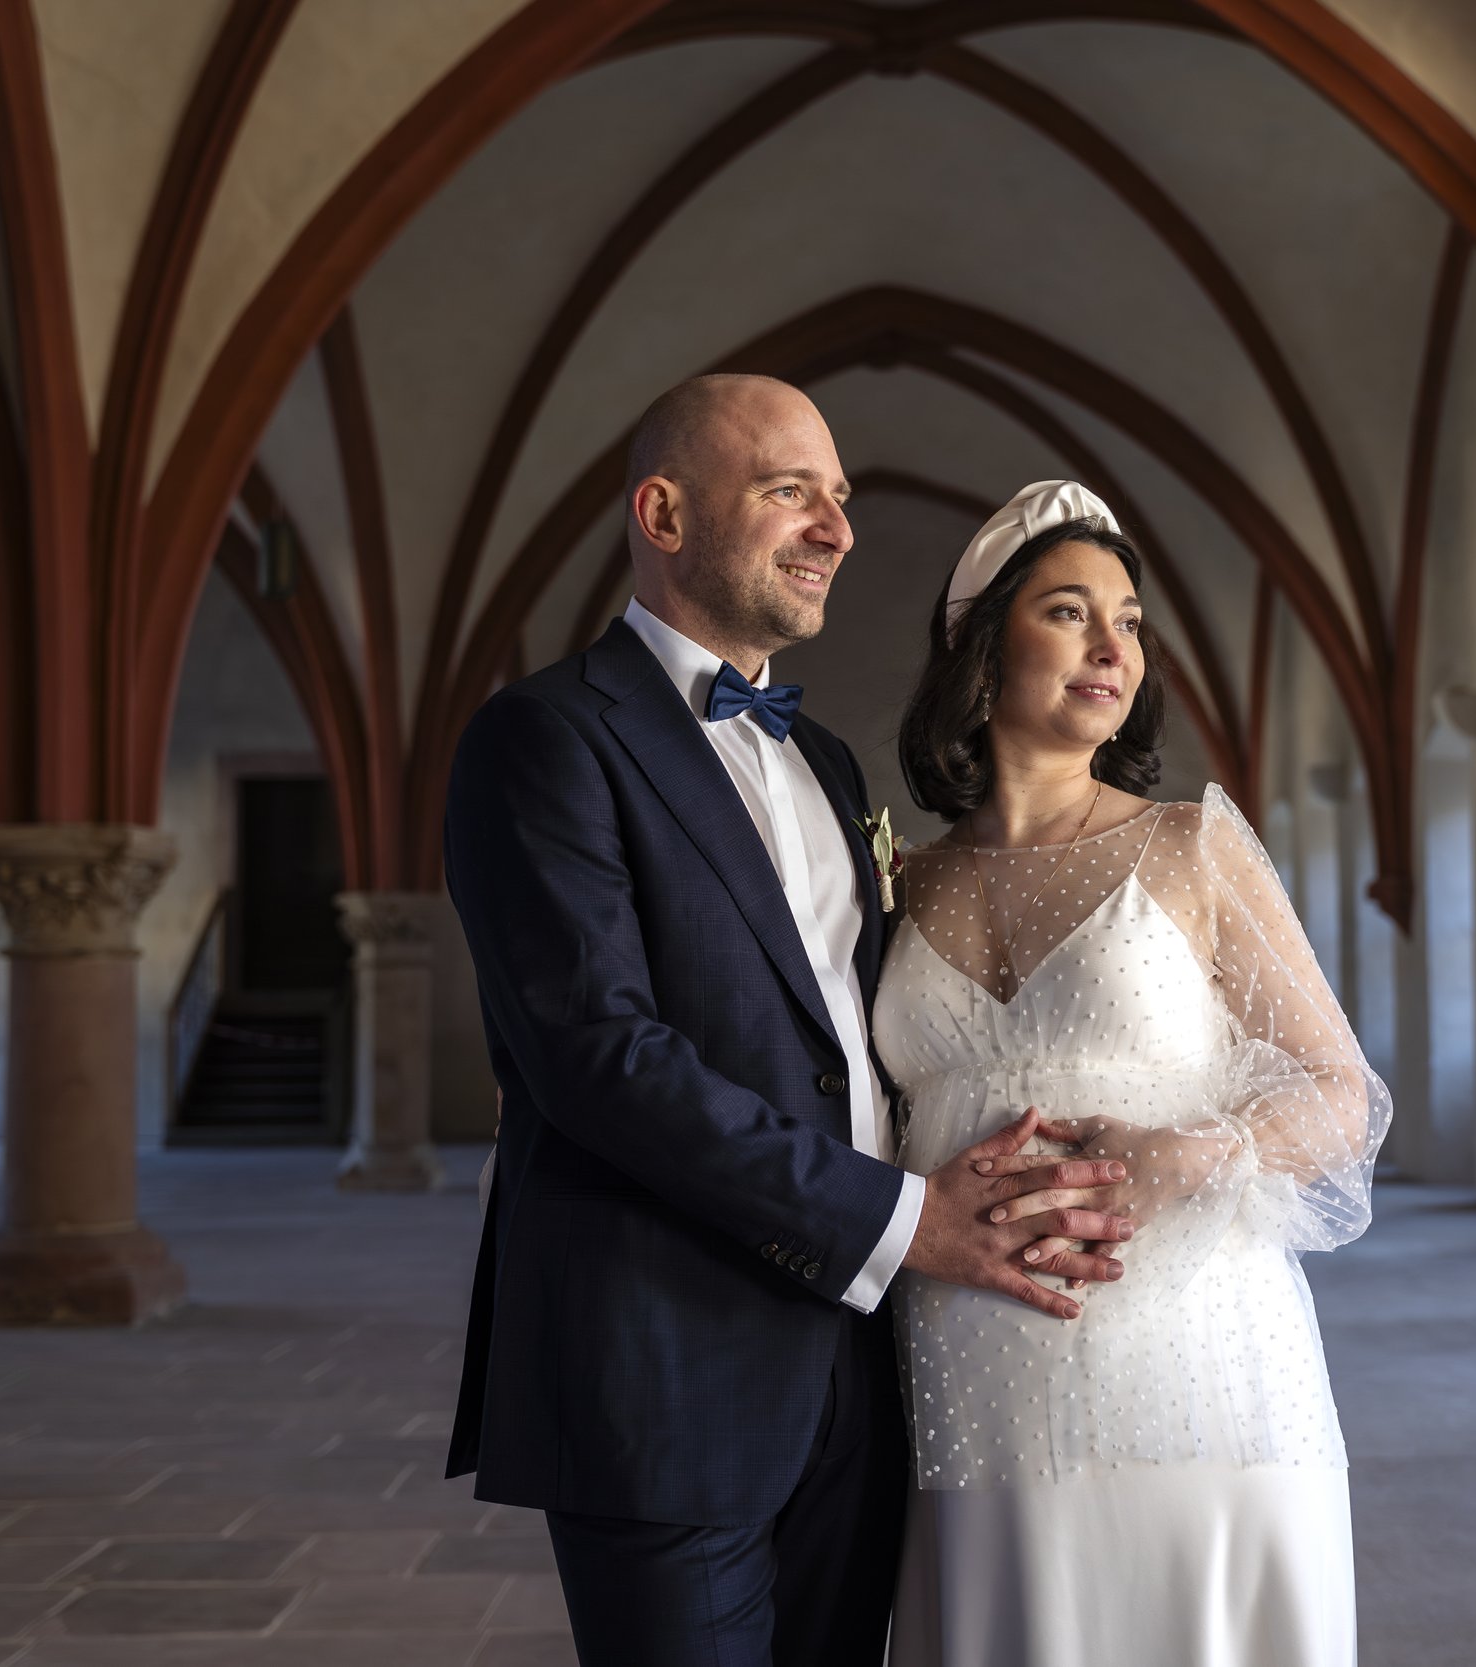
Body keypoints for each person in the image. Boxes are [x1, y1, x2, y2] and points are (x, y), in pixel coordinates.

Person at [440, 380, 1139, 1666]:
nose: (835, 528)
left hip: (859, 1372)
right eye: (788, 492)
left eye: (839, 498)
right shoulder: (543, 738)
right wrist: (906, 1216)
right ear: (663, 514)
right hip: (663, 1367)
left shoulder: (825, 760)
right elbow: (601, 1058)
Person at [880, 481, 1391, 1665]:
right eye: (1069, 612)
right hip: (964, 1376)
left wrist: (1193, 1153)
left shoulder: (1191, 845)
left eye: (1130, 620)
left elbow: (1340, 1090)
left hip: (1194, 1362)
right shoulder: (903, 880)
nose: (1113, 647)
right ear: (979, 649)